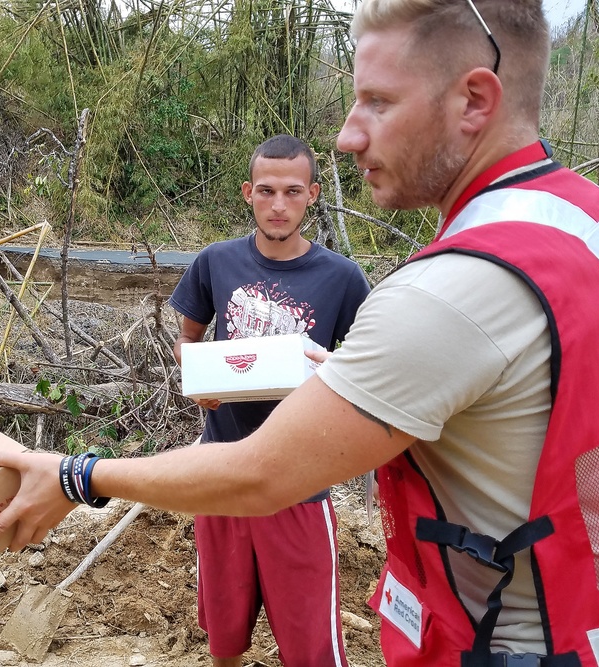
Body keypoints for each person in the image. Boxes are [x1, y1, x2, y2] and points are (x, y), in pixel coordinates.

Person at [0, 1, 599, 665]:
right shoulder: (595, 220)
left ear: (474, 101)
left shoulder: (451, 292)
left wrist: (77, 474)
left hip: (513, 641)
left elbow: (262, 475)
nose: (347, 135)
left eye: (378, 100)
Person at [170, 134, 369, 667]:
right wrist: (199, 381)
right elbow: (189, 341)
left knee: (310, 646)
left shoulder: (343, 279)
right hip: (222, 471)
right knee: (224, 632)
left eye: (292, 191)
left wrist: (329, 373)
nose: (278, 205)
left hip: (299, 480)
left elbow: (367, 365)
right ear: (247, 193)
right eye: (266, 191)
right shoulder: (215, 263)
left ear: (313, 195)